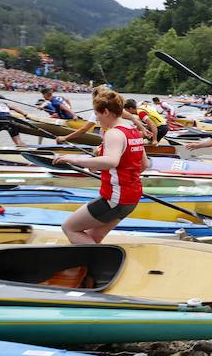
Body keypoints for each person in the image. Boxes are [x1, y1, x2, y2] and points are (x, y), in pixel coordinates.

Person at [53, 90, 149, 243]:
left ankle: (103, 262)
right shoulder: (134, 131)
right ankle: (89, 264)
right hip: (132, 197)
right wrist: (112, 171)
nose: (97, 119)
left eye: (97, 114)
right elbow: (144, 164)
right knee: (92, 237)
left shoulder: (113, 133)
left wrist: (74, 159)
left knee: (69, 228)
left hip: (115, 198)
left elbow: (111, 161)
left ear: (105, 112)